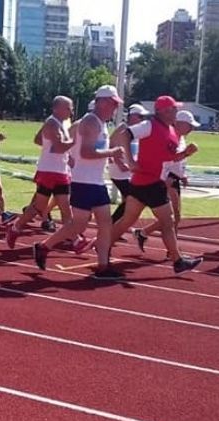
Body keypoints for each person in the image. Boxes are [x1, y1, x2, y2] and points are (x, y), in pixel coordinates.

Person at [33, 86, 126, 279]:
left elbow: (88, 152)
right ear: (101, 102)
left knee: (104, 222)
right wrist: (113, 152)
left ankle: (103, 266)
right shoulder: (91, 122)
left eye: (116, 104)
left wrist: (106, 156)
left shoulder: (100, 123)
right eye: (112, 103)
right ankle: (44, 246)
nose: (115, 107)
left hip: (95, 181)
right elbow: (86, 152)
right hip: (84, 182)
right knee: (79, 225)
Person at [108, 95, 203, 275]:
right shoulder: (150, 125)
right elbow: (125, 134)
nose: (176, 112)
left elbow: (169, 158)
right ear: (162, 111)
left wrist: (186, 153)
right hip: (149, 183)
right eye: (173, 109)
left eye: (176, 108)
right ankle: (178, 261)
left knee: (127, 221)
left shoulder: (172, 131)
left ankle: (103, 246)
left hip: (146, 183)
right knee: (168, 222)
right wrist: (131, 160)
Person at [5, 96, 76, 249]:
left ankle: (74, 238)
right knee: (38, 207)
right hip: (49, 171)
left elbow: (39, 139)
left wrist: (58, 151)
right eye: (68, 108)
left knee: (66, 206)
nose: (71, 111)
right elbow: (58, 147)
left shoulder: (60, 124)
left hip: (61, 170)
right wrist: (74, 142)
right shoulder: (52, 123)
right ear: (57, 108)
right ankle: (15, 228)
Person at [133, 109, 199, 252]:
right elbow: (167, 159)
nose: (191, 129)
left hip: (172, 178)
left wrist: (182, 175)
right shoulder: (171, 136)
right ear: (180, 123)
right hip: (165, 179)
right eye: (190, 126)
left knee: (174, 216)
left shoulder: (180, 138)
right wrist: (170, 176)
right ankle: (172, 251)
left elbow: (177, 161)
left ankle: (144, 233)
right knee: (172, 216)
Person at [109, 103, 148, 223]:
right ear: (133, 116)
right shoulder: (122, 128)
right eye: (140, 117)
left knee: (129, 199)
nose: (143, 120)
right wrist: (119, 163)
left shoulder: (136, 131)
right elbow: (111, 145)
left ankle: (114, 226)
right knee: (131, 198)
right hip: (119, 171)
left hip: (129, 172)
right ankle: (112, 224)